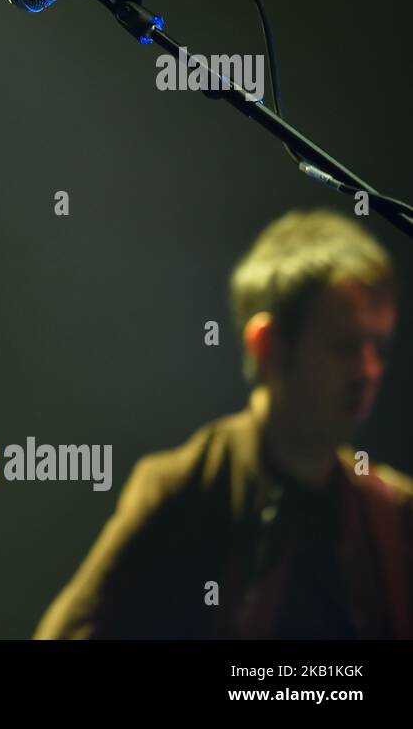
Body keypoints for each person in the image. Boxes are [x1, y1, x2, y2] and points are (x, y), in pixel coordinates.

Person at [35, 208, 412, 638]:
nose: (369, 371)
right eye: (344, 346)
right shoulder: (182, 487)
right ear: (267, 344)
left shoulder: (396, 514)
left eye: (379, 346)